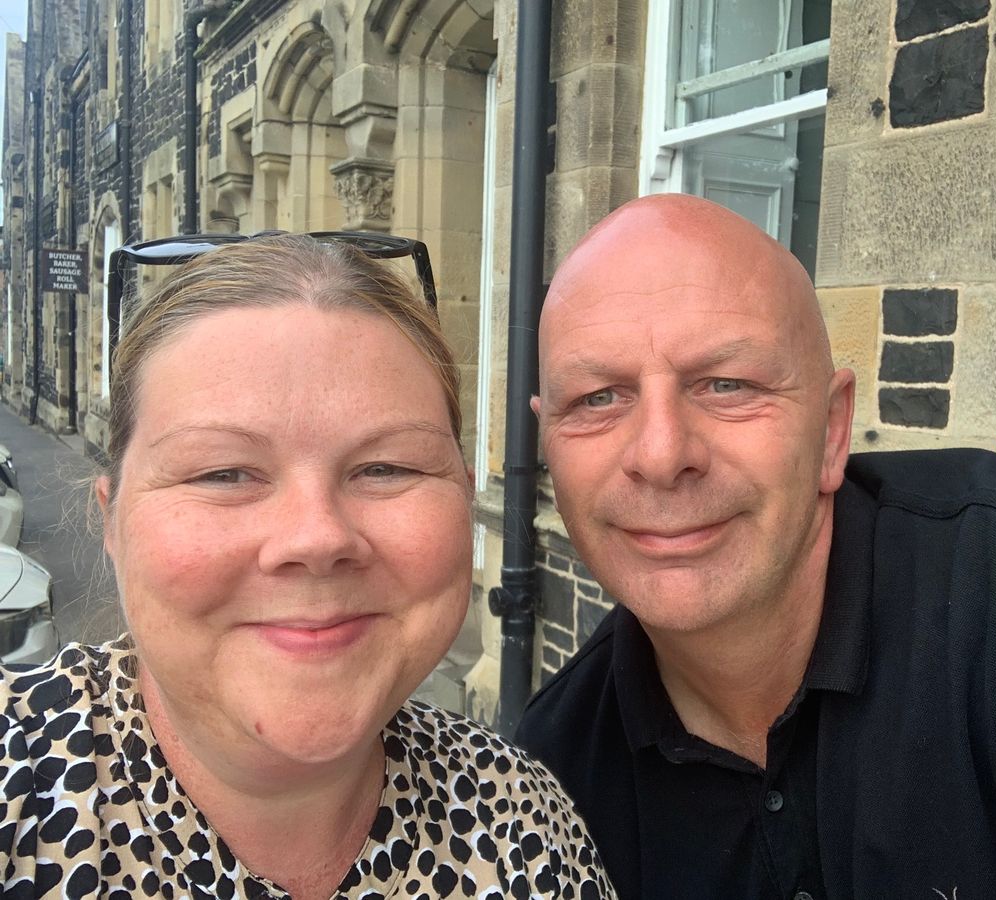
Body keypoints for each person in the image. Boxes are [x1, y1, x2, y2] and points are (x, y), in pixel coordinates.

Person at [516, 195, 996, 899]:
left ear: (832, 431)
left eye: (726, 384)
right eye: (598, 398)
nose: (660, 455)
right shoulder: (552, 780)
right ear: (548, 447)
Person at [0, 234, 615, 900]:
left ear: (464, 498)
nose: (317, 537)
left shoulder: (526, 822)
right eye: (223, 472)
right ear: (111, 518)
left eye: (387, 468)